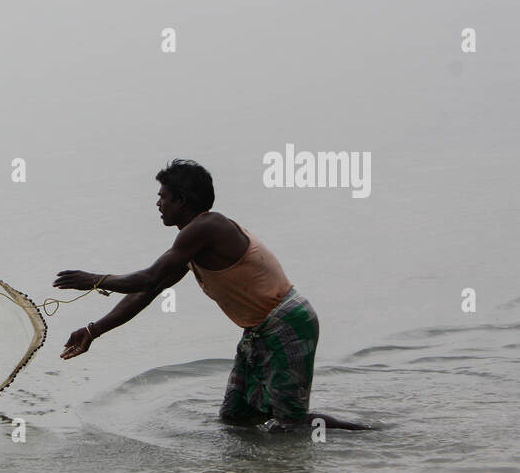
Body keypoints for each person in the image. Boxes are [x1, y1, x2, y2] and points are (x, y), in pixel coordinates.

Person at [54, 159, 367, 430]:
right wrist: (94, 331)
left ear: (182, 200)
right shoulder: (190, 243)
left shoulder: (208, 227)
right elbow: (150, 289)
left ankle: (371, 435)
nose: (158, 204)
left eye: (163, 197)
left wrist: (94, 280)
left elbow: (147, 277)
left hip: (286, 323)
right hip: (259, 329)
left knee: (290, 423)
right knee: (237, 419)